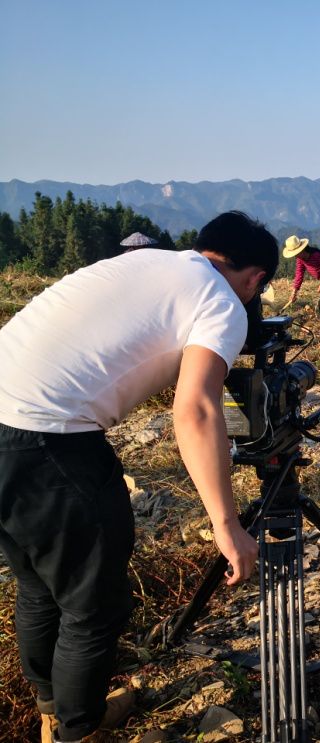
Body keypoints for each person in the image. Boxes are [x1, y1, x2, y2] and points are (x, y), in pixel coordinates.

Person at [0, 211, 277, 743]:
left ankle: (53, 711)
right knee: (92, 605)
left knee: (39, 587)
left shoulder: (150, 262)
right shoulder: (221, 300)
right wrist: (227, 525)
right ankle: (79, 733)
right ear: (254, 277)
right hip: (48, 440)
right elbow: (195, 409)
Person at [282, 235, 320, 323]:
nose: (295, 256)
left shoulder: (316, 255)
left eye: (296, 253)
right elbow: (299, 275)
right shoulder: (300, 259)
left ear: (302, 249)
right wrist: (294, 292)